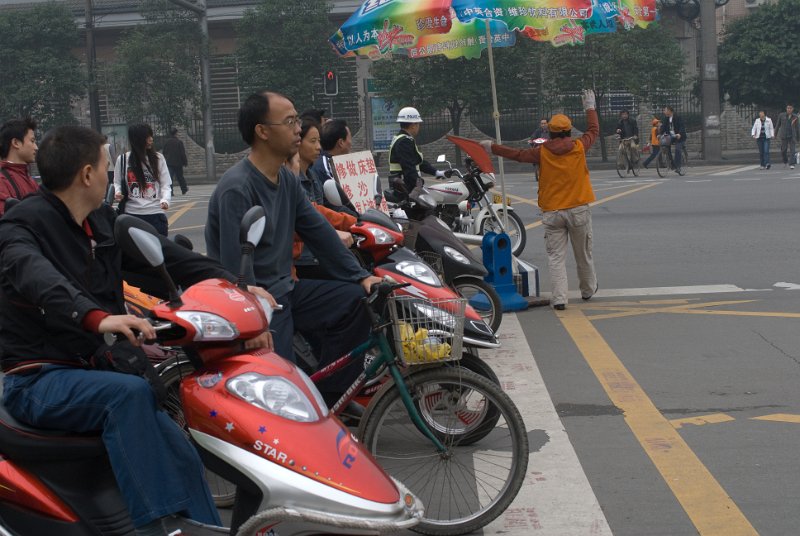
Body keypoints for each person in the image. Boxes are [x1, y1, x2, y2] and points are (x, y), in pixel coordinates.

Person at [0, 125, 272, 536]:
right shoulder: (21, 227)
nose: (112, 175)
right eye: (108, 165)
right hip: (37, 378)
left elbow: (165, 258)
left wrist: (233, 284)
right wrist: (95, 316)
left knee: (180, 449)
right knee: (127, 395)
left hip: (90, 371)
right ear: (88, 175)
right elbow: (36, 277)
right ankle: (160, 528)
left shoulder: (101, 221)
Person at [205, 91, 382, 402]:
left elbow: (318, 232)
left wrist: (361, 276)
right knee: (280, 386)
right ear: (262, 131)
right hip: (258, 302)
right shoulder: (237, 188)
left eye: (297, 120)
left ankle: (330, 396)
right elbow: (234, 268)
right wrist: (253, 319)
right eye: (289, 121)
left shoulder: (286, 181)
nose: (298, 128)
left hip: (287, 291)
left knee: (357, 301)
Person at [480, 90, 599, 310]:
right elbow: (593, 130)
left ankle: (560, 298)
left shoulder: (541, 152)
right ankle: (587, 289)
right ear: (569, 130)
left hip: (552, 212)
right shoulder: (580, 146)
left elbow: (516, 154)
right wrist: (589, 107)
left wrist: (491, 147)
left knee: (555, 258)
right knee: (583, 253)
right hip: (578, 209)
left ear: (550, 132)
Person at [294, 116, 356, 280]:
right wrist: (349, 223)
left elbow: (325, 208)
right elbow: (312, 215)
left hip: (318, 249)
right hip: (306, 258)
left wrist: (359, 219)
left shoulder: (312, 175)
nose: (318, 147)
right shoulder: (291, 178)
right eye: (313, 141)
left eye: (319, 141)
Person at [113, 124, 172, 236]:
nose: (151, 139)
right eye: (147, 136)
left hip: (155, 215)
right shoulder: (123, 160)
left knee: (158, 252)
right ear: (138, 140)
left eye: (151, 135)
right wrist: (118, 192)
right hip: (131, 215)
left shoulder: (158, 158)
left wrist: (165, 200)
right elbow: (117, 182)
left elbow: (166, 185)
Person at [388, 106, 445, 195]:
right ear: (413, 125)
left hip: (404, 186)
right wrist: (418, 183)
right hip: (406, 188)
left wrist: (436, 172)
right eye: (418, 124)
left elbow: (417, 162)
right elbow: (408, 167)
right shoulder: (404, 141)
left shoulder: (402, 139)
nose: (419, 126)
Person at [311, 118, 358, 216]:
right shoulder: (325, 165)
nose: (351, 142)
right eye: (350, 137)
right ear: (341, 143)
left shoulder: (337, 163)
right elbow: (335, 203)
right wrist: (358, 216)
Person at [0, 117, 40, 217]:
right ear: (16, 143)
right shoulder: (2, 181)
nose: (36, 147)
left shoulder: (31, 180)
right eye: (32, 141)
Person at [162, 127, 189, 195]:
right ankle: (184, 189)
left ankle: (171, 192)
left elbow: (164, 152)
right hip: (178, 162)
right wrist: (185, 162)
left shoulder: (166, 142)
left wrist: (167, 158)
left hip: (169, 162)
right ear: (176, 133)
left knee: (170, 177)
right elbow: (182, 153)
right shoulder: (179, 142)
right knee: (180, 176)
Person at [659, 105, 687, 171]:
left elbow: (682, 126)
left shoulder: (678, 117)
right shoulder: (666, 118)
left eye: (665, 110)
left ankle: (678, 166)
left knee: (677, 149)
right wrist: (660, 134)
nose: (664, 112)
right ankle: (672, 163)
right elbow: (663, 127)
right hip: (671, 136)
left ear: (669, 110)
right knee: (666, 146)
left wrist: (679, 133)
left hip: (679, 137)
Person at [775, 104, 798, 169]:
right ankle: (785, 161)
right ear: (786, 109)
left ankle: (792, 164)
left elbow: (797, 128)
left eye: (790, 108)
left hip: (792, 136)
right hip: (784, 135)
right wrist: (775, 134)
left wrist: (798, 137)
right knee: (783, 150)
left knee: (792, 150)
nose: (789, 109)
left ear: (792, 109)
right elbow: (777, 125)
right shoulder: (781, 115)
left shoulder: (795, 117)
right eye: (788, 108)